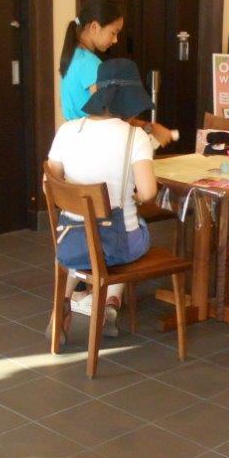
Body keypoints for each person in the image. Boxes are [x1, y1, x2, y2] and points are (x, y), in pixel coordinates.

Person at [48, 57, 159, 338]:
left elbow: (49, 183)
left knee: (87, 240)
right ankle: (111, 302)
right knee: (139, 231)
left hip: (70, 239)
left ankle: (61, 303)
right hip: (117, 244)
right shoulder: (136, 137)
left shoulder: (67, 130)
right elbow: (148, 192)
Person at [58, 0, 174, 145]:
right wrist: (150, 128)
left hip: (74, 145)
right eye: (113, 32)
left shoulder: (74, 56)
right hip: (91, 146)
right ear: (94, 27)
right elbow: (112, 119)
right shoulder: (90, 65)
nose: (115, 40)